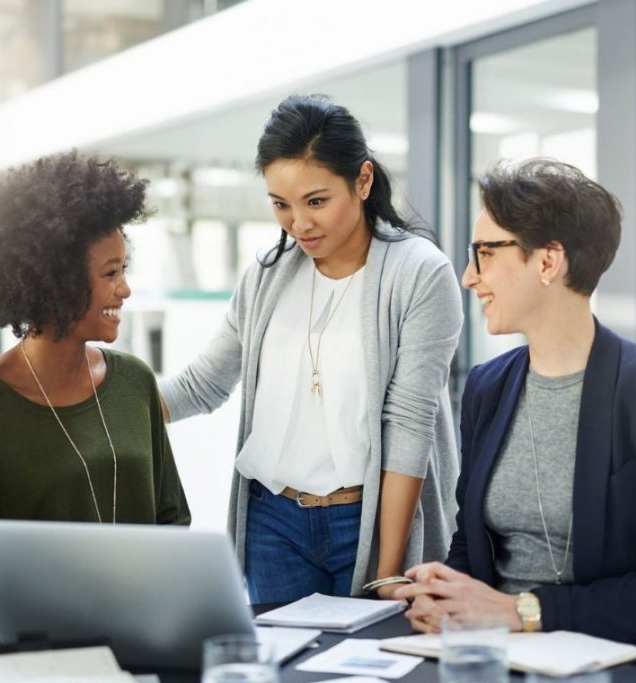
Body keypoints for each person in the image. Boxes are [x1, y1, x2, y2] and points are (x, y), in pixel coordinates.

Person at [394, 159, 636, 682]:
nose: (468, 276)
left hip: (628, 662)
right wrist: (446, 593)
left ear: (548, 261)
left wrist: (521, 612)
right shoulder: (487, 387)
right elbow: (471, 543)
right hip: (503, 655)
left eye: (484, 253)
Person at [158, 95, 462, 604]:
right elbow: (203, 385)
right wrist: (97, 401)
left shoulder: (420, 274)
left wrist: (388, 572)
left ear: (362, 181)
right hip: (273, 522)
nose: (298, 224)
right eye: (281, 204)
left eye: (316, 201)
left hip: (364, 520)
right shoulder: (267, 274)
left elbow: (410, 424)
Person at [0, 151, 190, 633]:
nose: (125, 290)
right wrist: (39, 600)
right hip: (35, 657)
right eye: (110, 273)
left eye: (124, 269)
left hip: (139, 641)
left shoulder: (135, 383)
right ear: (56, 283)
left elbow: (171, 521)